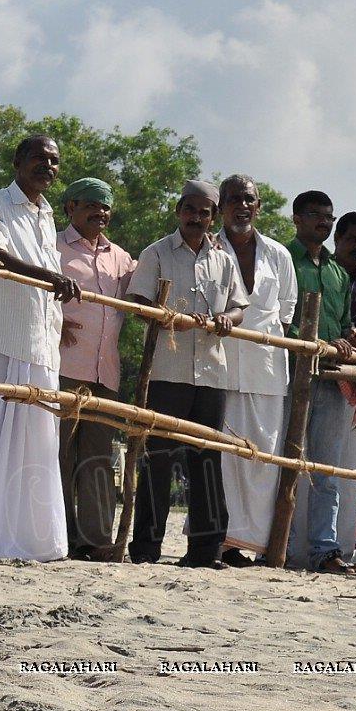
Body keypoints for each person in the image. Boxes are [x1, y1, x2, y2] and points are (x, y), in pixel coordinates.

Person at [0, 136, 79, 562]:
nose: (47, 166)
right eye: (39, 158)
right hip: (4, 337)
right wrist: (52, 278)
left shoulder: (47, 213)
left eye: (54, 161)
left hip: (43, 341)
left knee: (38, 441)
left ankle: (36, 536)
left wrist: (53, 282)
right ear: (17, 161)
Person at [126, 180, 248, 568]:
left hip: (211, 374)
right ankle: (146, 549)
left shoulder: (223, 260)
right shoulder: (156, 252)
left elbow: (238, 307)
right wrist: (168, 318)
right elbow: (138, 301)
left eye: (204, 212)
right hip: (167, 371)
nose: (196, 218)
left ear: (214, 217)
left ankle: (205, 552)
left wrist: (226, 319)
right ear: (179, 211)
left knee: (207, 460)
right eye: (190, 210)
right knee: (158, 461)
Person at [215, 174, 297, 567]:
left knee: (263, 456)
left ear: (259, 206)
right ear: (221, 207)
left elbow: (287, 311)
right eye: (233, 199)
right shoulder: (210, 249)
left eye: (248, 199)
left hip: (267, 368)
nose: (242, 206)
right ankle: (223, 542)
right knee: (224, 455)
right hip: (220, 363)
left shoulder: (278, 254)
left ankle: (257, 543)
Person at [56, 176, 134, 561]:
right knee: (59, 454)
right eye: (90, 204)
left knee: (99, 457)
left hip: (106, 371)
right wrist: (54, 322)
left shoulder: (121, 257)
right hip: (63, 367)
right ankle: (58, 536)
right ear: (71, 207)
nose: (99, 212)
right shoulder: (52, 246)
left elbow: (143, 291)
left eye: (105, 207)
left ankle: (96, 539)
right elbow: (31, 294)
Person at [284, 192, 356, 573]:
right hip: (290, 376)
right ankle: (277, 545)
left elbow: (344, 324)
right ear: (297, 218)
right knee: (284, 463)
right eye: (316, 215)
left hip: (330, 380)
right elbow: (280, 320)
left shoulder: (338, 272)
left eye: (330, 217)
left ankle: (324, 550)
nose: (324, 223)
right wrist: (316, 344)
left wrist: (346, 340)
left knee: (325, 471)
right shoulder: (283, 260)